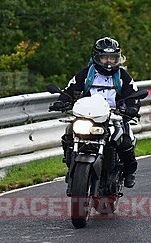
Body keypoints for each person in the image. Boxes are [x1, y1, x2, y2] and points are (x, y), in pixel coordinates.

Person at [50, 37, 141, 188]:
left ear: (118, 58)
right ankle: (71, 166)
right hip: (88, 115)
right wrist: (62, 101)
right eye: (104, 58)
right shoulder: (86, 74)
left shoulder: (123, 76)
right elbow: (70, 88)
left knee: (125, 141)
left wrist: (132, 108)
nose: (108, 62)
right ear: (96, 57)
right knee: (69, 133)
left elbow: (133, 94)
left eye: (112, 58)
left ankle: (129, 172)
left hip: (115, 116)